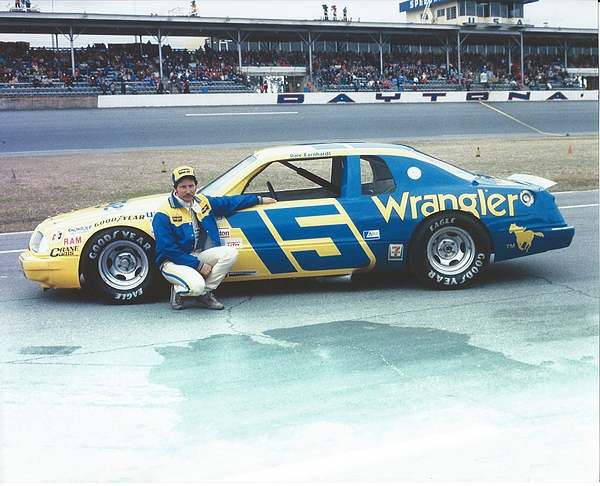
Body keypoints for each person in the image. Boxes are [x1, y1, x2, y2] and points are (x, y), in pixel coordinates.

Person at [152, 166, 276, 310]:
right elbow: (168, 250)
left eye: (191, 186)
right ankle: (179, 289)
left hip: (196, 254)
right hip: (171, 262)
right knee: (196, 286)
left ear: (196, 186)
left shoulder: (202, 201)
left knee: (230, 253)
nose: (188, 191)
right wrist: (198, 265)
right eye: (183, 187)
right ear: (175, 188)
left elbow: (229, 202)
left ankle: (205, 293)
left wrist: (258, 199)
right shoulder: (163, 213)